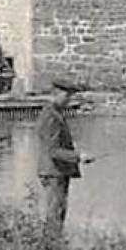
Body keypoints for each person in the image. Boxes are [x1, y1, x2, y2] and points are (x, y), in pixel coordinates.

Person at [36, 78, 92, 236]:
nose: (69, 100)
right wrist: (78, 156)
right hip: (53, 172)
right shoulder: (50, 117)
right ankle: (51, 249)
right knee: (55, 214)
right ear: (57, 94)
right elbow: (53, 151)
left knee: (58, 213)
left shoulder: (55, 114)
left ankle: (54, 248)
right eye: (67, 96)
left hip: (57, 172)